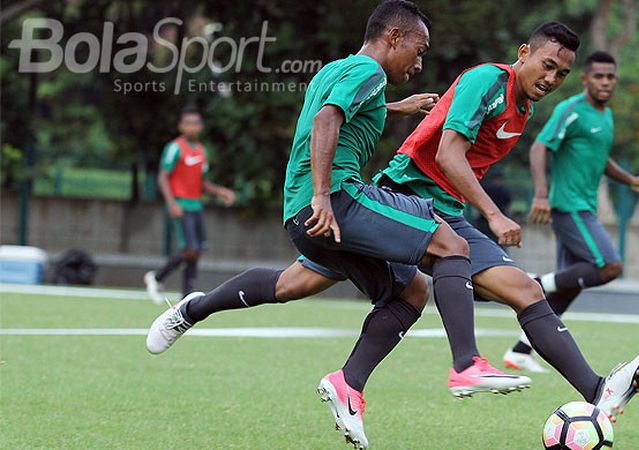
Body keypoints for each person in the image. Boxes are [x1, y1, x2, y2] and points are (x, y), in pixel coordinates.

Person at [146, 2, 527, 448]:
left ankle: (197, 312)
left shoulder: (339, 71)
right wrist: (324, 196)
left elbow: (335, 110)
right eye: (418, 50)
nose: (419, 62)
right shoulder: (370, 72)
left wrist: (395, 108)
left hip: (300, 214)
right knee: (450, 244)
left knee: (391, 292)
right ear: (392, 37)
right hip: (338, 201)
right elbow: (328, 120)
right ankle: (466, 364)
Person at [373, 25, 639, 424]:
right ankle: (464, 365)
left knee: (526, 289)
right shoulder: (486, 79)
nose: (552, 79)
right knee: (303, 280)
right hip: (404, 197)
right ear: (524, 53)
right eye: (547, 65)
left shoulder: (525, 111)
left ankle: (599, 390)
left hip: (447, 213)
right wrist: (493, 213)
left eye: (561, 74)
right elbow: (450, 155)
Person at [503, 51, 639, 377]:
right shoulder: (570, 110)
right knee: (609, 266)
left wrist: (632, 181)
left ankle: (520, 350)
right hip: (568, 206)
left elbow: (601, 159)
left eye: (611, 77)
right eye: (599, 76)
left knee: (570, 286)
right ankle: (535, 282)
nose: (605, 82)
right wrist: (542, 194)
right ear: (586, 79)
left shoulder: (606, 117)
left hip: (584, 207)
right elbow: (540, 146)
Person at [144, 108, 235, 304]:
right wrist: (172, 202)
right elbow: (162, 177)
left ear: (201, 127)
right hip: (180, 204)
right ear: (181, 126)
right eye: (188, 123)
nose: (192, 127)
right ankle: (157, 277)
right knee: (189, 249)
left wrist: (222, 192)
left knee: (197, 250)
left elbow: (202, 184)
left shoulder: (202, 151)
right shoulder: (175, 148)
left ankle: (186, 296)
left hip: (196, 205)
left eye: (196, 123)